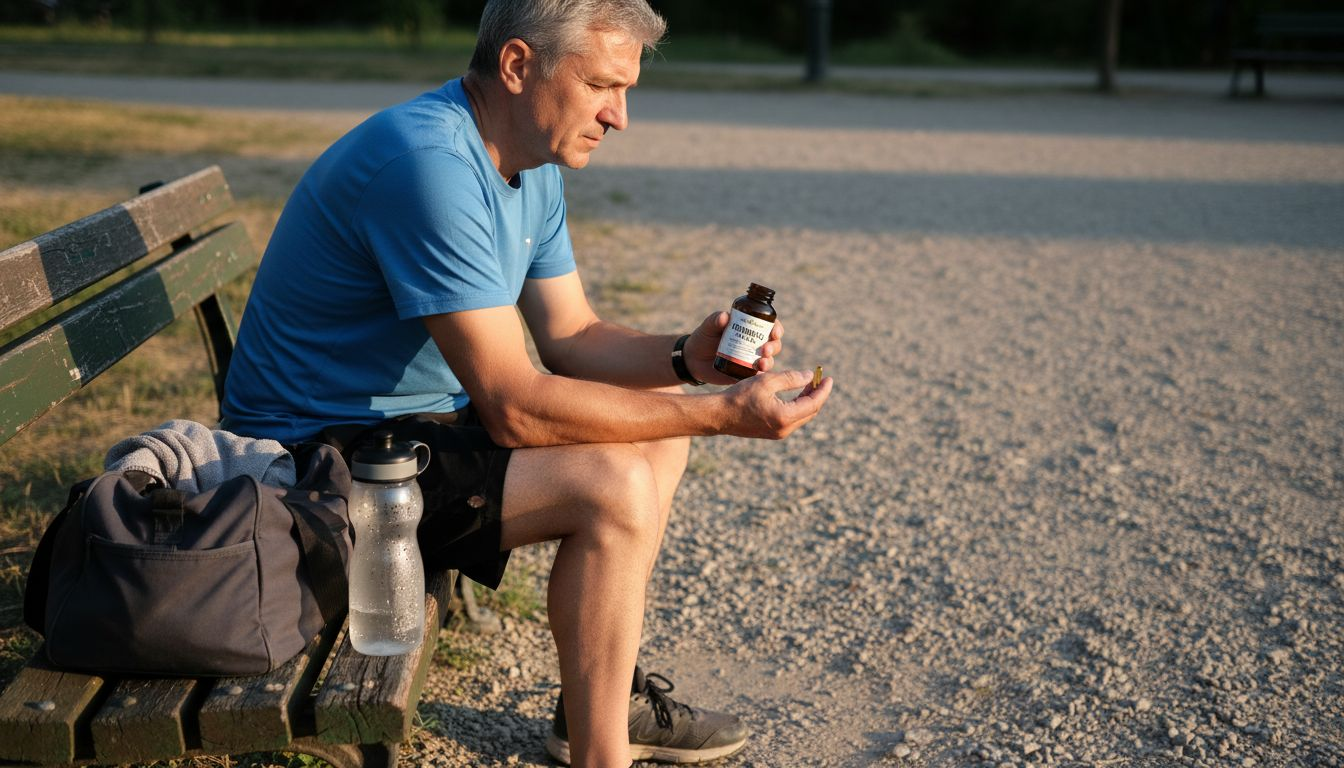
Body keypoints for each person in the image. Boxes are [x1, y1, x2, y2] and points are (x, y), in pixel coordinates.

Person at [221, 0, 832, 765]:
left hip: (409, 432)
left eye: (628, 91)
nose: (620, 117)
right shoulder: (430, 165)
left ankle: (597, 708)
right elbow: (514, 408)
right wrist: (724, 415)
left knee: (662, 420)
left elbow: (572, 336)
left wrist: (687, 362)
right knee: (613, 483)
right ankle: (600, 754)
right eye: (604, 86)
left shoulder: (526, 158)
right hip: (312, 465)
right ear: (517, 67)